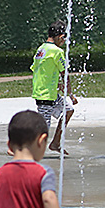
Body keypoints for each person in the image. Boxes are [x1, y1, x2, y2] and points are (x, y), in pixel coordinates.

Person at [31, 21, 78, 154]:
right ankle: (21, 146)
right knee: (43, 128)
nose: (64, 42)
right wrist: (70, 94)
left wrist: (55, 83)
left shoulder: (41, 49)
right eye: (64, 39)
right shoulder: (57, 52)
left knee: (68, 110)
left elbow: (38, 70)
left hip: (46, 91)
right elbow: (65, 74)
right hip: (46, 95)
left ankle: (56, 142)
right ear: (60, 36)